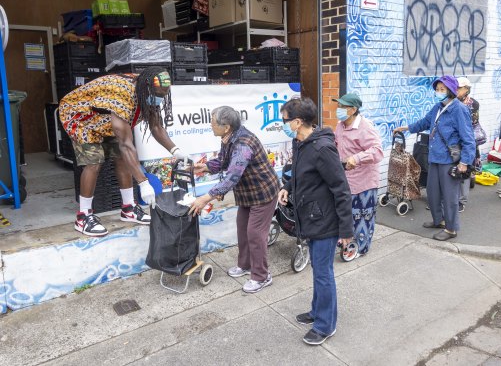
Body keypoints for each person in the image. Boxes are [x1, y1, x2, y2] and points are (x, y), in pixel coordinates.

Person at [59, 68, 188, 237]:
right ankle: (83, 216)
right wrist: (143, 183)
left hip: (104, 117)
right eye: (158, 95)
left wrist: (176, 151)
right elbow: (126, 144)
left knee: (122, 159)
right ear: (146, 88)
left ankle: (128, 209)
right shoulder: (122, 93)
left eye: (164, 95)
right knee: (94, 162)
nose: (159, 99)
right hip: (81, 117)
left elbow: (156, 126)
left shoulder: (146, 90)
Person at [277, 97, 353, 346]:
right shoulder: (300, 142)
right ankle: (317, 311)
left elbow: (341, 188)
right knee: (318, 271)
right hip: (309, 215)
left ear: (298, 122)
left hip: (325, 220)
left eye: (285, 119)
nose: (283, 123)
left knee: (323, 272)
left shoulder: (321, 148)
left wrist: (346, 230)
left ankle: (325, 325)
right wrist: (288, 187)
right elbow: (300, 173)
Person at [188, 106, 279, 294]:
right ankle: (245, 265)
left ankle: (262, 276)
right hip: (247, 193)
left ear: (226, 126)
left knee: (255, 234)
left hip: (262, 194)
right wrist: (204, 168)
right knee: (243, 230)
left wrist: (205, 198)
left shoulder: (243, 144)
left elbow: (232, 176)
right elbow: (223, 160)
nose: (211, 125)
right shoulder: (229, 138)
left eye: (213, 122)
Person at [394, 75, 475, 241]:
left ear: (451, 91)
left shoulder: (459, 109)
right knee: (433, 192)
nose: (438, 92)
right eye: (437, 89)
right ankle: (439, 220)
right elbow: (424, 122)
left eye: (442, 89)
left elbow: (468, 138)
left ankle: (451, 229)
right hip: (435, 157)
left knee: (450, 196)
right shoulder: (438, 107)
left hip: (449, 160)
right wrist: (407, 128)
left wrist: (465, 162)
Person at [333, 93, 383, 257]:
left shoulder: (365, 127)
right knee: (348, 213)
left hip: (364, 181)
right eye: (338, 106)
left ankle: (361, 248)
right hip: (346, 179)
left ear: (353, 109)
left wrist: (357, 158)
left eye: (342, 106)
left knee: (363, 217)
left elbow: (377, 151)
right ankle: (346, 240)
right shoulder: (340, 125)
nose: (338, 109)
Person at [456, 77, 480, 213]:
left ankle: (461, 201)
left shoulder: (472, 104)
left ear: (467, 89)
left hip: (467, 142)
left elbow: (470, 125)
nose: (456, 90)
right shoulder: (451, 102)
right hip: (453, 144)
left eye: (459, 88)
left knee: (464, 171)